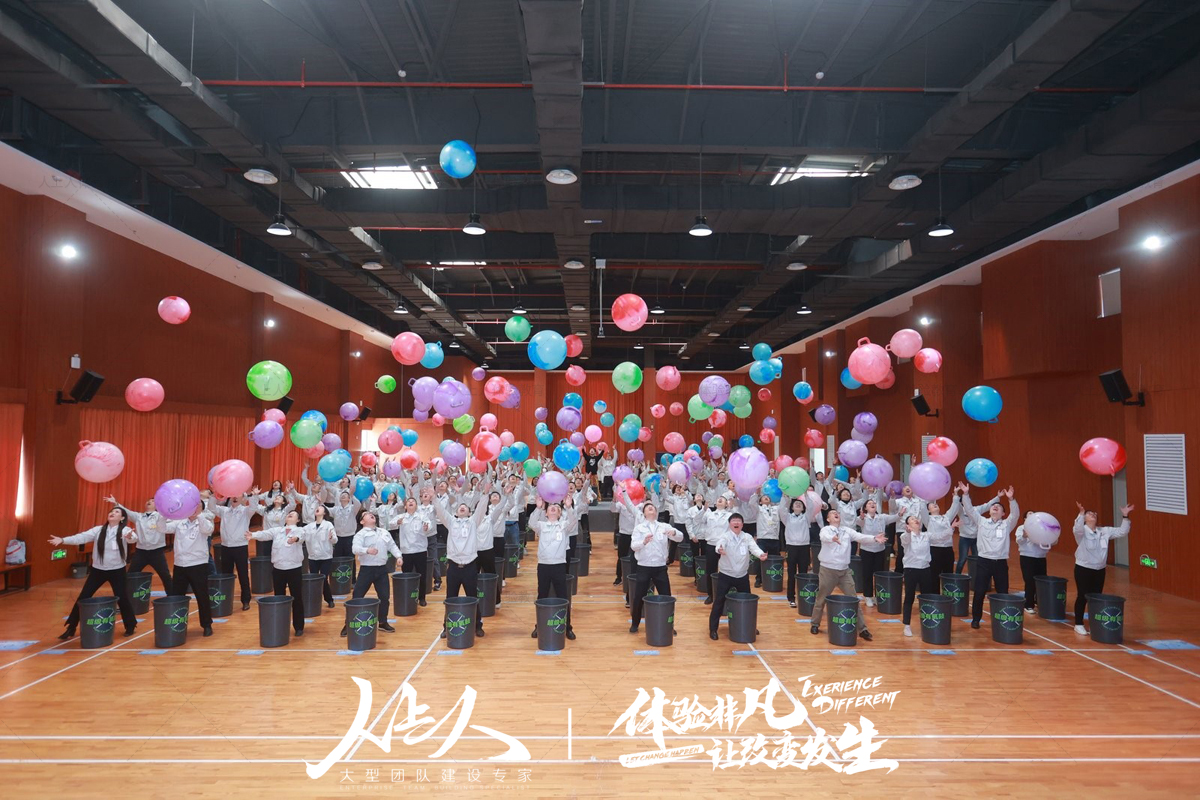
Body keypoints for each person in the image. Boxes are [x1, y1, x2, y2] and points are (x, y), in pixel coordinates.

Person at [50, 507, 139, 640]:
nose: (112, 513)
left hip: (117, 570)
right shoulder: (98, 530)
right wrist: (63, 540)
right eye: (111, 511)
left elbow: (133, 538)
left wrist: (130, 536)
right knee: (83, 597)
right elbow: (81, 537)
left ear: (122, 518)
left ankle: (130, 625)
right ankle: (71, 627)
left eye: (116, 512)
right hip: (98, 570)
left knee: (122, 597)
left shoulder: (125, 530)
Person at [809, 509, 885, 640]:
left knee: (854, 599)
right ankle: (815, 623)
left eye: (837, 513)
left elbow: (860, 537)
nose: (836, 514)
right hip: (828, 570)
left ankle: (862, 629)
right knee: (821, 598)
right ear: (828, 519)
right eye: (832, 513)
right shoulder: (826, 530)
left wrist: (874, 538)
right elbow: (823, 537)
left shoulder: (846, 530)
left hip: (844, 571)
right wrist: (832, 538)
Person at [958, 483, 1019, 629]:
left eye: (999, 507)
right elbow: (970, 510)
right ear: (990, 511)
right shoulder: (982, 521)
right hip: (983, 562)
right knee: (979, 592)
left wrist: (1011, 500)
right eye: (993, 506)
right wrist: (965, 494)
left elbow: (1015, 514)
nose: (995, 507)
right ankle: (976, 619)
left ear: (1003, 513)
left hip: (1000, 563)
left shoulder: (1006, 525)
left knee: (1002, 592)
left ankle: (1002, 620)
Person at [1071, 501, 1133, 635]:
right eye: (1089, 514)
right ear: (1085, 519)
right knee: (1082, 595)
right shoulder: (1082, 532)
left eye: (1094, 513)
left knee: (1096, 597)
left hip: (1099, 570)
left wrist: (1125, 516)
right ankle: (1078, 624)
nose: (1093, 514)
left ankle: (1095, 623)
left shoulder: (1104, 531)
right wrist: (1081, 513)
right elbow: (1077, 528)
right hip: (1083, 568)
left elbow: (1122, 531)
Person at [434, 495, 490, 639]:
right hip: (453, 567)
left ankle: (477, 625)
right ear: (456, 512)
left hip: (470, 567)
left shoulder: (473, 522)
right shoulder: (451, 522)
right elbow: (440, 511)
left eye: (465, 507)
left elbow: (481, 509)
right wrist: (434, 497)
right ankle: (447, 627)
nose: (462, 507)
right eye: (460, 506)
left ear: (469, 512)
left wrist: (485, 494)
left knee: (473, 597)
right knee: (450, 598)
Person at [624, 496, 682, 634]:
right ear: (644, 513)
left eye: (653, 508)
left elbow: (680, 537)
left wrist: (674, 532)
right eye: (648, 507)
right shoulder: (639, 528)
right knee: (638, 597)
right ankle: (635, 623)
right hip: (643, 566)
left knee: (667, 597)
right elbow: (633, 546)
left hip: (660, 567)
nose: (651, 508)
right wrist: (643, 542)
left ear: (656, 512)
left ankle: (669, 626)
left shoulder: (664, 526)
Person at [248, 510, 308, 637]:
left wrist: (295, 539)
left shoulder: (300, 530)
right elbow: (264, 534)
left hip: (294, 569)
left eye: (293, 514)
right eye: (289, 514)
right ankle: (281, 625)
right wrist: (252, 535)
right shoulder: (277, 530)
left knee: (297, 598)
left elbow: (301, 537)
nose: (290, 514)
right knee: (279, 598)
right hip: (278, 569)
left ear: (298, 520)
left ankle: (298, 627)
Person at [708, 513, 766, 641]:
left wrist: (761, 554)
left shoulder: (747, 537)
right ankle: (713, 629)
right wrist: (719, 550)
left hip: (742, 576)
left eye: (738, 521)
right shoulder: (725, 536)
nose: (736, 523)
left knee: (747, 603)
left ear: (742, 524)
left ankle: (750, 627)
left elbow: (754, 548)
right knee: (719, 602)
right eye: (733, 521)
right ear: (729, 524)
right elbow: (720, 545)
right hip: (726, 574)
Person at [341, 511, 401, 636]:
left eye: (371, 513)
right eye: (367, 514)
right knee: (357, 596)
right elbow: (355, 549)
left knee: (384, 597)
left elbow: (392, 546)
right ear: (362, 521)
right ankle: (348, 623)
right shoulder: (360, 534)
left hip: (382, 569)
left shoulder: (383, 532)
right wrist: (367, 550)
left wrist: (398, 556)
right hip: (366, 570)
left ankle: (383, 622)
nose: (371, 514)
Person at [162, 503, 216, 636]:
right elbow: (162, 528)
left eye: (197, 507)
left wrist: (199, 515)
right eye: (192, 507)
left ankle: (207, 625)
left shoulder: (205, 521)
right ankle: (176, 626)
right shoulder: (179, 522)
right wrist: (162, 515)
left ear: (201, 509)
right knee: (177, 596)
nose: (193, 510)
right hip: (180, 564)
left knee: (202, 596)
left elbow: (207, 530)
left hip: (198, 564)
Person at [528, 499, 577, 641]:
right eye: (550, 507)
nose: (553, 508)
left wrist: (569, 507)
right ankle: (539, 626)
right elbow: (531, 523)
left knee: (563, 597)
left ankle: (567, 627)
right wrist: (538, 508)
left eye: (557, 507)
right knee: (542, 596)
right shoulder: (541, 525)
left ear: (560, 513)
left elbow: (573, 521)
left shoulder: (564, 526)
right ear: (546, 513)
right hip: (543, 565)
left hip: (559, 565)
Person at [106, 494, 171, 591]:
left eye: (152, 501)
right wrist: (116, 503)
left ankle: (172, 595)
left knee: (165, 575)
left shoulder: (161, 516)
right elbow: (126, 512)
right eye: (148, 500)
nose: (149, 501)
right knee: (130, 574)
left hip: (157, 552)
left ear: (157, 506)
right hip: (141, 552)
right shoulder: (138, 517)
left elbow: (171, 518)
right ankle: (126, 596)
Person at [211, 494, 256, 611]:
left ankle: (245, 600)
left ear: (242, 498)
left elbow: (253, 506)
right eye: (233, 496)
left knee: (243, 575)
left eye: (238, 496)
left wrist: (252, 495)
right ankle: (226, 601)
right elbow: (211, 507)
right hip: (226, 547)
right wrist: (214, 495)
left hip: (240, 547)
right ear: (230, 498)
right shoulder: (224, 511)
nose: (235, 498)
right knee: (226, 575)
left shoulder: (245, 511)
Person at [394, 496, 436, 607]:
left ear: (416, 506)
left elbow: (429, 525)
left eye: (413, 501)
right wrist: (397, 522)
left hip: (420, 550)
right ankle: (408, 597)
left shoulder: (422, 516)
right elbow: (391, 523)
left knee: (422, 575)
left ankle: (422, 598)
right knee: (407, 576)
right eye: (409, 501)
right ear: (405, 506)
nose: (411, 502)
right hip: (406, 551)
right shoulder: (401, 517)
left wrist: (427, 528)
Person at [860, 493, 900, 608]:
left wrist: (900, 514)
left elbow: (894, 517)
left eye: (873, 503)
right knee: (867, 574)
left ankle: (878, 596)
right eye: (869, 503)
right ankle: (868, 596)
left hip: (880, 550)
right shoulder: (863, 518)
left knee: (879, 574)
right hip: (866, 550)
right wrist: (861, 518)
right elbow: (858, 522)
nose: (872, 504)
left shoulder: (882, 517)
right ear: (865, 508)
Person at [898, 515, 934, 638]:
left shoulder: (926, 535)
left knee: (926, 598)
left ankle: (928, 623)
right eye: (912, 519)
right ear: (908, 525)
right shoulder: (905, 536)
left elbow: (940, 537)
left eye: (916, 518)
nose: (916, 520)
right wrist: (908, 532)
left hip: (925, 569)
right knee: (909, 597)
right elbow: (906, 540)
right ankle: (907, 625)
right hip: (911, 569)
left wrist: (951, 528)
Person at [1015, 514, 1051, 614]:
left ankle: (1040, 602)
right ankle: (1028, 604)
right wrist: (1024, 536)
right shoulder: (1021, 528)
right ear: (1025, 518)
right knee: (1030, 581)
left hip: (1041, 557)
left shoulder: (1042, 528)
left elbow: (1051, 541)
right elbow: (1019, 541)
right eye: (1029, 515)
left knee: (1041, 581)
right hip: (1027, 557)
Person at [302, 505, 337, 609]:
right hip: (313, 557)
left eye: (320, 507)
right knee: (314, 580)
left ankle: (329, 599)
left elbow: (335, 540)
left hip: (326, 557)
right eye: (316, 508)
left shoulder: (328, 525)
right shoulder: (309, 526)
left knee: (323, 578)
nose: (317, 508)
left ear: (324, 512)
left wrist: (332, 537)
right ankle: (314, 601)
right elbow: (300, 534)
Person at [955, 490, 999, 573]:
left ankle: (976, 576)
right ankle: (957, 576)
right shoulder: (961, 511)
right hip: (964, 538)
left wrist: (998, 497)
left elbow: (987, 505)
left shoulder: (976, 510)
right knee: (962, 559)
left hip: (976, 538)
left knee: (977, 558)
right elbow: (956, 504)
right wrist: (956, 495)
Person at [921, 493, 962, 580]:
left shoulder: (946, 518)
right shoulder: (928, 519)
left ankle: (947, 589)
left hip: (948, 549)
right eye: (932, 505)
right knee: (934, 575)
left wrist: (955, 495)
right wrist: (924, 497)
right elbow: (922, 509)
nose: (935, 504)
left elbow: (954, 508)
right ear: (929, 511)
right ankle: (934, 589)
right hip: (935, 549)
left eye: (936, 504)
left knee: (948, 574)